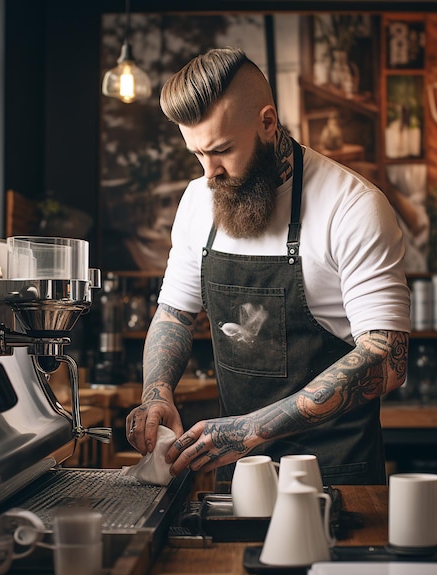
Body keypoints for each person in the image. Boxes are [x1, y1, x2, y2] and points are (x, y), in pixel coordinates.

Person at [125, 47, 410, 488]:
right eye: (196, 154)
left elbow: (387, 360)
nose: (209, 174)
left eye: (221, 150)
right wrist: (156, 394)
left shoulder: (352, 206)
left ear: (267, 122)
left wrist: (253, 429)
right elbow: (175, 314)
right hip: (240, 473)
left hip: (338, 476)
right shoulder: (198, 200)